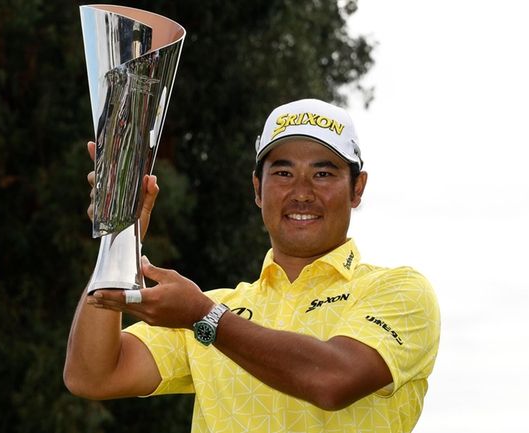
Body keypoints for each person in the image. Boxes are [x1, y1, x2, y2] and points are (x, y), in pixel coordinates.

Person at [64, 98, 441, 432]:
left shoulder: (399, 291)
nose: (302, 192)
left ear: (357, 188)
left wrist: (206, 319)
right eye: (282, 173)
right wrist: (118, 238)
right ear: (258, 190)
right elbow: (93, 376)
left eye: (323, 173)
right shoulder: (215, 305)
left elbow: (334, 379)